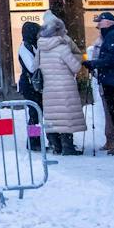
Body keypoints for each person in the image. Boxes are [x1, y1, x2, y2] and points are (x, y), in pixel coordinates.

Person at [82, 11, 114, 156]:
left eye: (100, 22)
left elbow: (113, 59)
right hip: (113, 79)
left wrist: (95, 63)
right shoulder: (112, 36)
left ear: (107, 23)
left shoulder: (113, 36)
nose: (98, 25)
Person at [37, 15, 86, 156]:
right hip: (65, 87)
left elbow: (35, 66)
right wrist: (79, 59)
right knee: (66, 117)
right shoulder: (62, 47)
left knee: (53, 117)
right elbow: (76, 67)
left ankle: (56, 145)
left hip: (49, 87)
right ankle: (67, 146)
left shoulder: (41, 47)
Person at [16, 20, 43, 151]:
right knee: (34, 114)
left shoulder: (32, 45)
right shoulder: (24, 47)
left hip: (33, 84)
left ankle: (36, 140)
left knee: (37, 113)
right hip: (29, 85)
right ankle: (33, 142)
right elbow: (32, 67)